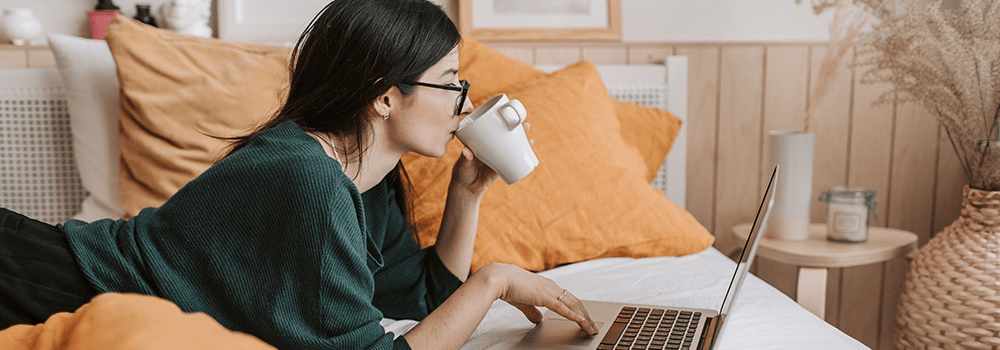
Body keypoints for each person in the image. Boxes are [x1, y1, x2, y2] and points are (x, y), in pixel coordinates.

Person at [0, 0, 598, 349]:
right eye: (451, 83)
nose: (464, 103)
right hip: (46, 284)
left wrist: (467, 196)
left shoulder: (370, 177)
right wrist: (492, 282)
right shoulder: (306, 179)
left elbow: (419, 302)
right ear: (384, 98)